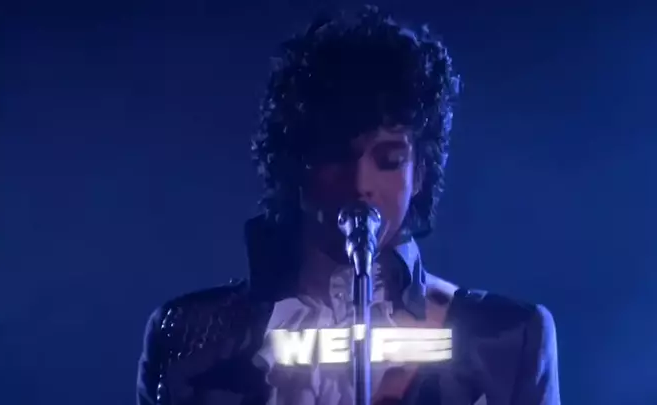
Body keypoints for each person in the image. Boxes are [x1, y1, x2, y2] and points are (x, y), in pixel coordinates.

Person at [136, 6, 560, 405]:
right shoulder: (189, 334)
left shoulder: (507, 338)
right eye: (335, 156)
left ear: (420, 174)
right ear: (295, 163)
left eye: (389, 160)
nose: (361, 185)